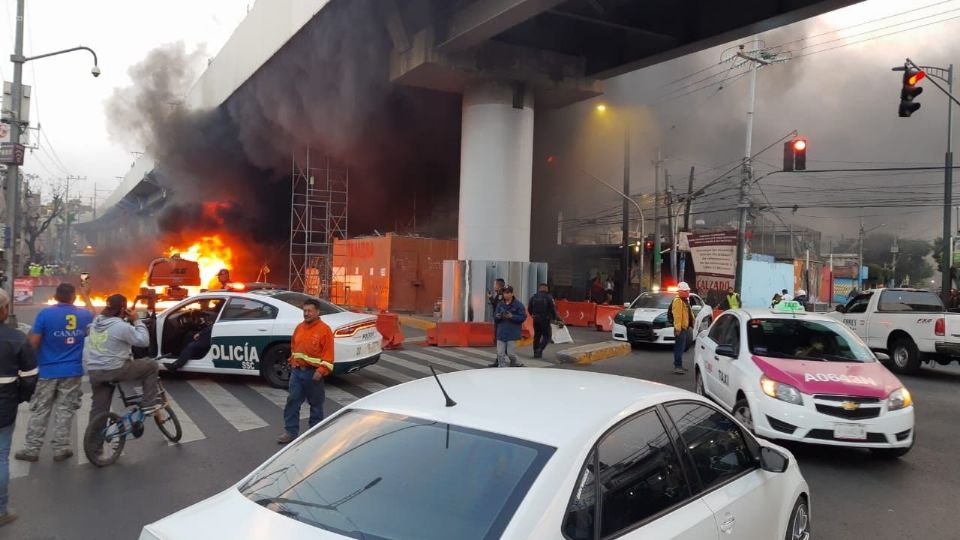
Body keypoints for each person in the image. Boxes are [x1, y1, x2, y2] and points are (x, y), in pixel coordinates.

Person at [14, 283, 94, 463]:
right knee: (65, 409)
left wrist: (26, 365)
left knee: (40, 410)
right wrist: (86, 294)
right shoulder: (83, 314)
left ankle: (32, 449)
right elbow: (92, 313)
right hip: (72, 371)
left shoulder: (45, 314)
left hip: (46, 370)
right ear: (74, 297)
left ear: (55, 296)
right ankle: (61, 448)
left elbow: (33, 342)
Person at [86, 295, 161, 440]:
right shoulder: (121, 326)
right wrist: (137, 320)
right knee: (151, 365)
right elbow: (144, 341)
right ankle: (148, 404)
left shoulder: (96, 322)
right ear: (123, 309)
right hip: (114, 369)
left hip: (95, 371)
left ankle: (94, 446)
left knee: (98, 410)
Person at [0, 289, 37, 526]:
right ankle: (1, 510)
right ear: (3, 310)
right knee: (1, 457)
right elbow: (30, 376)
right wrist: (19, 397)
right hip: (4, 405)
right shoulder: (16, 338)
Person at [277, 298, 334, 445]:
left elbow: (329, 355)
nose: (306, 314)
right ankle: (290, 432)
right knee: (292, 402)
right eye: (304, 311)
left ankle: (314, 434)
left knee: (316, 405)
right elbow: (294, 347)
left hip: (313, 374)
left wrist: (321, 371)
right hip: (297, 373)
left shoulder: (324, 330)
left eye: (309, 311)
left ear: (317, 312)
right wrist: (292, 361)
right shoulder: (299, 328)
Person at [494, 286, 527, 368]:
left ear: (512, 293)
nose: (506, 295)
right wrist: (498, 316)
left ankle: (518, 364)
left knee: (511, 354)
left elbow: (523, 317)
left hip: (512, 333)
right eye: (504, 293)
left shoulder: (518, 305)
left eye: (508, 293)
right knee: (500, 353)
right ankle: (502, 367)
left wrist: (512, 316)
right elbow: (495, 317)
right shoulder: (500, 304)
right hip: (501, 333)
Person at [529, 283, 561, 359]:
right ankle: (540, 349)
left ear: (539, 288)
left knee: (537, 336)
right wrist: (555, 318)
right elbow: (553, 309)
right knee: (547, 336)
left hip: (536, 319)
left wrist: (533, 315)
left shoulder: (534, 297)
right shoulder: (549, 297)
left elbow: (529, 308)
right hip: (545, 320)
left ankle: (535, 352)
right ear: (546, 289)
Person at [670, 282, 694, 375]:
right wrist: (678, 329)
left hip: (684, 328)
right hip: (680, 329)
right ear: (681, 291)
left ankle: (679, 365)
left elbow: (688, 314)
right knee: (679, 348)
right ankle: (677, 366)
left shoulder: (684, 300)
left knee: (681, 347)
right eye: (686, 291)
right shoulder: (678, 301)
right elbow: (677, 317)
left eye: (688, 291)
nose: (688, 292)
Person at [486, 278, 505, 367]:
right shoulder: (499, 294)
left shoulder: (501, 295)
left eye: (495, 285)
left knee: (500, 341)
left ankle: (500, 360)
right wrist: (491, 298)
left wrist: (491, 298)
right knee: (500, 342)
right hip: (499, 320)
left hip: (500, 321)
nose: (494, 286)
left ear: (499, 285)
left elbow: (498, 306)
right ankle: (499, 360)